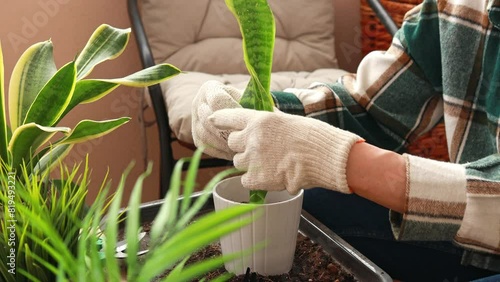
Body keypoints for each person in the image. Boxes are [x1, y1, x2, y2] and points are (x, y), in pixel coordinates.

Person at [191, 0, 500, 281]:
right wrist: (265, 112)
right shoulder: (458, 5)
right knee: (309, 208)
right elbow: (370, 107)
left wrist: (342, 160)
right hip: (469, 235)